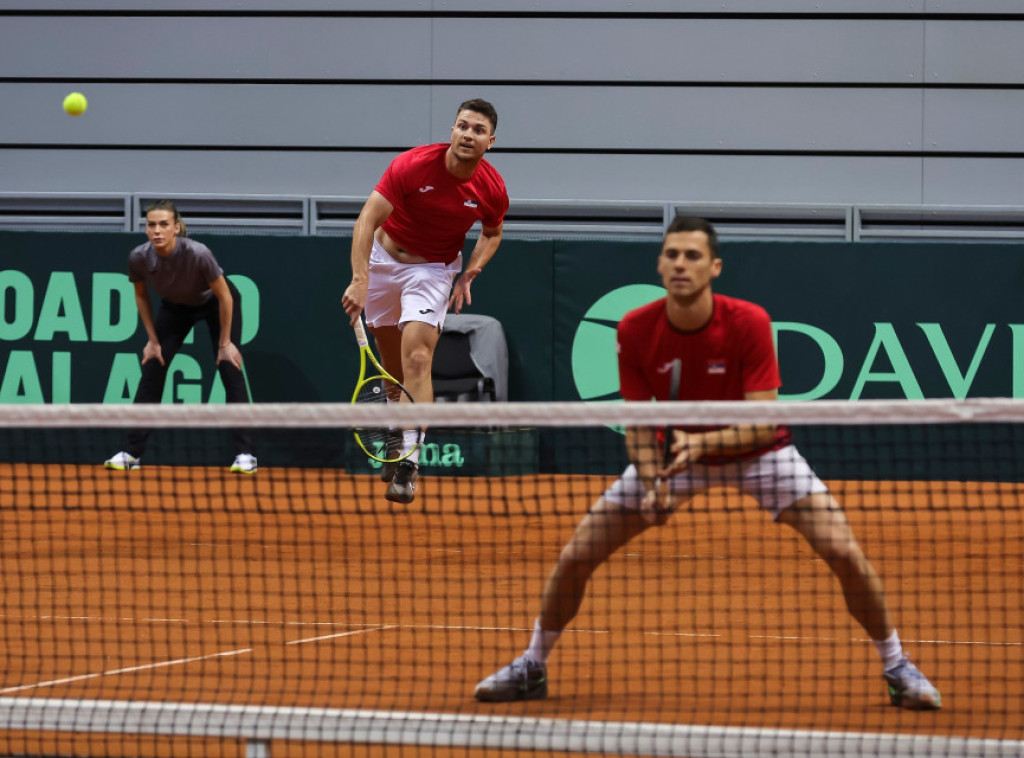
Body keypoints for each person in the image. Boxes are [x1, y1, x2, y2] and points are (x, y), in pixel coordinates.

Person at [474, 216, 941, 711]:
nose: (681, 264)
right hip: (675, 455)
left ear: (714, 267)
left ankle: (897, 665)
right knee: (576, 556)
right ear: (659, 264)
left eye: (693, 256)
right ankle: (532, 665)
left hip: (760, 454)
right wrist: (652, 484)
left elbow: (764, 422)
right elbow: (637, 425)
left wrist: (705, 444)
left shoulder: (748, 323)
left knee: (844, 552)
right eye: (673, 254)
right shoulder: (635, 329)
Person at [341, 98, 509, 504]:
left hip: (433, 270)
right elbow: (367, 218)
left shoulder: (490, 188)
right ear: (452, 130)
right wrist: (361, 278)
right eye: (462, 126)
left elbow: (492, 232)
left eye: (478, 130)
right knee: (392, 369)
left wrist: (472, 270)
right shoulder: (413, 165)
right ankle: (397, 432)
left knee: (417, 358)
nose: (468, 134)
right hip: (382, 261)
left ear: (491, 141)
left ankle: (409, 462)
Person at [103, 200, 257, 474]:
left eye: (164, 224)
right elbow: (141, 296)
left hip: (215, 304)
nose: (157, 230)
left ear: (176, 228)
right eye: (151, 225)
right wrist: (152, 340)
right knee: (152, 369)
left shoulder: (198, 254)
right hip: (176, 308)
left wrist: (225, 344)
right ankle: (131, 453)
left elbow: (225, 296)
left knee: (229, 368)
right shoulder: (139, 257)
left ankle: (245, 455)